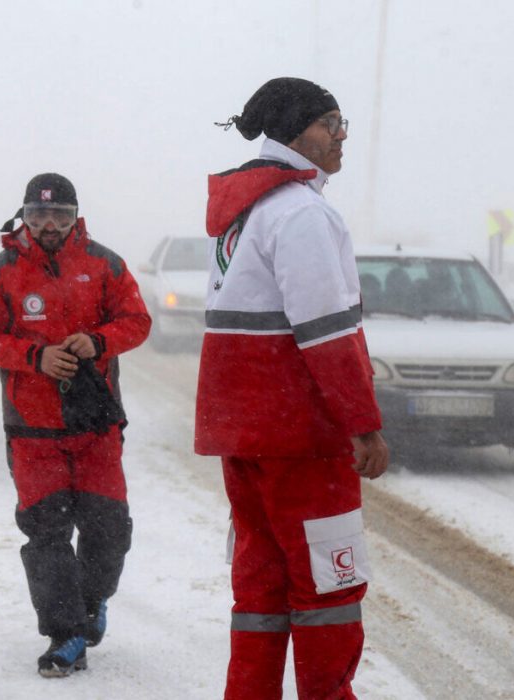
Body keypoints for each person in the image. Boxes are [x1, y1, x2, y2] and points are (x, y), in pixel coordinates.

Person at [195, 77, 389, 699]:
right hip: (301, 439)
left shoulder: (242, 212)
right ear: (296, 129)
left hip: (246, 436)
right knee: (328, 590)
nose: (341, 137)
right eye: (333, 123)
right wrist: (363, 423)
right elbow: (327, 334)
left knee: (262, 588)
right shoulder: (301, 212)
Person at [0, 173, 151, 678]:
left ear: (75, 217)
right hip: (32, 431)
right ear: (24, 215)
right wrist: (33, 356)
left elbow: (137, 321)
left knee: (108, 530)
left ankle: (92, 603)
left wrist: (99, 340)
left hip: (97, 428)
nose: (50, 225)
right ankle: (65, 635)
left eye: (61, 216)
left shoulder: (105, 264)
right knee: (46, 536)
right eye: (40, 215)